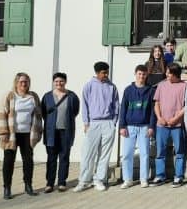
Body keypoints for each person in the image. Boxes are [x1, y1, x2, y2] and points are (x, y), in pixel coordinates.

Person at [0, 72, 43, 199]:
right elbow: (1, 113)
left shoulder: (33, 96)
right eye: (21, 81)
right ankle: (7, 188)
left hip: (28, 134)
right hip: (11, 135)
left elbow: (38, 115)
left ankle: (28, 186)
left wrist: (39, 131)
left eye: (26, 81)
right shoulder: (10, 96)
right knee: (8, 161)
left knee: (28, 161)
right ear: (16, 83)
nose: (24, 84)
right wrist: (3, 132)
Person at [75, 62, 119, 192]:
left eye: (107, 72)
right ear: (97, 73)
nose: (106, 75)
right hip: (93, 122)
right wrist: (86, 123)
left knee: (104, 153)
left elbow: (116, 105)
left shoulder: (112, 87)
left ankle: (99, 179)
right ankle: (84, 180)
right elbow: (85, 105)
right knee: (88, 153)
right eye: (103, 72)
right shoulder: (89, 86)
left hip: (108, 123)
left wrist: (114, 122)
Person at [41, 72, 80, 193]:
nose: (59, 83)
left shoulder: (72, 96)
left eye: (61, 81)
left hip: (66, 131)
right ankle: (49, 183)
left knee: (64, 157)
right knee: (51, 157)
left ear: (65, 82)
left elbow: (75, 111)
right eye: (56, 81)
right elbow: (43, 113)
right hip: (51, 132)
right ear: (53, 82)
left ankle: (62, 182)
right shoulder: (47, 96)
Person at [118, 65, 156, 189]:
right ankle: (127, 179)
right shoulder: (128, 90)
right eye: (139, 74)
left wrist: (151, 126)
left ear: (146, 76)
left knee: (145, 153)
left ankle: (143, 179)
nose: (141, 76)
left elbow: (152, 111)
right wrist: (122, 126)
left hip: (144, 126)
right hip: (129, 127)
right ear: (135, 74)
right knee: (127, 154)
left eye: (144, 74)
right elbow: (123, 108)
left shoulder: (150, 91)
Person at [152, 62, 187, 187]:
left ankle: (179, 177)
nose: (166, 74)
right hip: (161, 125)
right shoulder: (161, 85)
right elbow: (157, 103)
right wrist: (159, 117)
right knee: (160, 152)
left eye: (169, 72)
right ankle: (160, 176)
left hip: (177, 125)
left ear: (175, 74)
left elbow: (186, 106)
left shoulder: (184, 86)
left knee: (179, 152)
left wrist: (176, 118)